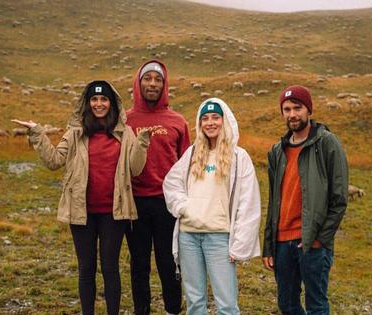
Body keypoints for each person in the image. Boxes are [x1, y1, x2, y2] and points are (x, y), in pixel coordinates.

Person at [12, 80, 150, 315]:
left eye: (103, 99)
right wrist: (37, 133)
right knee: (86, 269)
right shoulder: (75, 134)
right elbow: (54, 161)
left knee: (110, 268)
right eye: (94, 100)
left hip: (113, 213)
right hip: (81, 213)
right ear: (87, 104)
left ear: (112, 103)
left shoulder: (124, 133)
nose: (99, 104)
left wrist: (143, 143)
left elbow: (136, 169)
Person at [163, 98, 261, 315]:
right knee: (195, 301)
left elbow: (248, 201)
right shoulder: (192, 153)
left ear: (224, 120)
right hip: (188, 236)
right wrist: (184, 208)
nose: (210, 123)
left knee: (226, 303)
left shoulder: (238, 157)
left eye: (215, 117)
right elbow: (171, 183)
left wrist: (240, 242)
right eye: (205, 118)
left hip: (219, 238)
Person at [262, 85, 348, 315]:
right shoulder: (276, 151)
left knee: (316, 306)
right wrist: (269, 245)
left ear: (309, 110)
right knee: (287, 305)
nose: (292, 114)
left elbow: (339, 199)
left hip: (312, 243)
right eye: (286, 109)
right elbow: (274, 202)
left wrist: (320, 238)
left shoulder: (327, 143)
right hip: (282, 244)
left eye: (297, 108)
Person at [124, 60, 190, 315]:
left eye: (157, 80)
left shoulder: (177, 121)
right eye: (147, 79)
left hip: (167, 204)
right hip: (135, 203)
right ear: (138, 83)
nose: (152, 84)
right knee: (139, 263)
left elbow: (186, 163)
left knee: (169, 261)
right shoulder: (125, 120)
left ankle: (173, 309)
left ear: (164, 85)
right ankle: (142, 310)